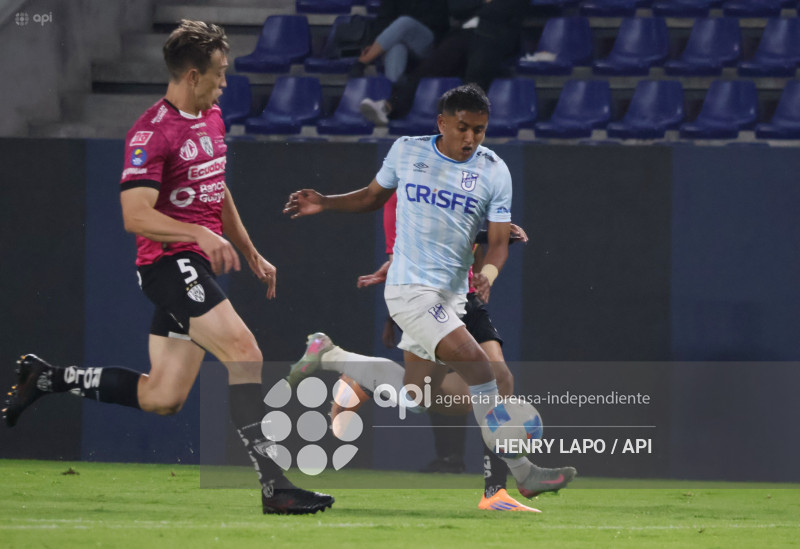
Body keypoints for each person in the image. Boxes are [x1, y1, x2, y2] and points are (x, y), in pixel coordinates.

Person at [2, 20, 333, 516]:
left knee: (163, 396)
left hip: (195, 264)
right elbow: (135, 215)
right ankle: (275, 486)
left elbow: (215, 189)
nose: (225, 85)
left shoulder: (212, 118)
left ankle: (47, 379)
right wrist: (199, 234)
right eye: (219, 75)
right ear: (193, 75)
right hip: (168, 264)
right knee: (245, 352)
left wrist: (250, 251)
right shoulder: (151, 132)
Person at [284, 83, 576, 501]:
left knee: (420, 397)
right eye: (463, 128)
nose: (471, 138)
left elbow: (496, 242)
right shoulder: (408, 150)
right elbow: (371, 196)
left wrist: (489, 273)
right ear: (442, 123)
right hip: (410, 291)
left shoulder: (495, 170)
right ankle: (523, 475)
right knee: (485, 371)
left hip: (453, 299)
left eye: (479, 129)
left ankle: (331, 355)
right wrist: (326, 202)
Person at [287, 214, 544, 512]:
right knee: (420, 398)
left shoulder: (469, 181)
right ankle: (346, 364)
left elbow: (463, 238)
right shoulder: (406, 185)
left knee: (499, 381)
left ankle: (497, 491)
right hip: (427, 302)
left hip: (466, 302)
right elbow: (418, 246)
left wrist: (489, 244)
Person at [360, 0, 529, 125]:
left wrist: (479, 6)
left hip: (495, 36)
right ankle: (389, 106)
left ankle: (467, 116)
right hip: (464, 34)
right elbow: (457, 8)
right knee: (426, 68)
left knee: (478, 66)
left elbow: (504, 10)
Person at [349, 0, 450, 82]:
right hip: (399, 41)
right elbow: (383, 19)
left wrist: (404, 33)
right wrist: (371, 43)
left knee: (405, 22)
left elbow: (440, 23)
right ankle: (393, 93)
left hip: (428, 44)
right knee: (396, 48)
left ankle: (362, 62)